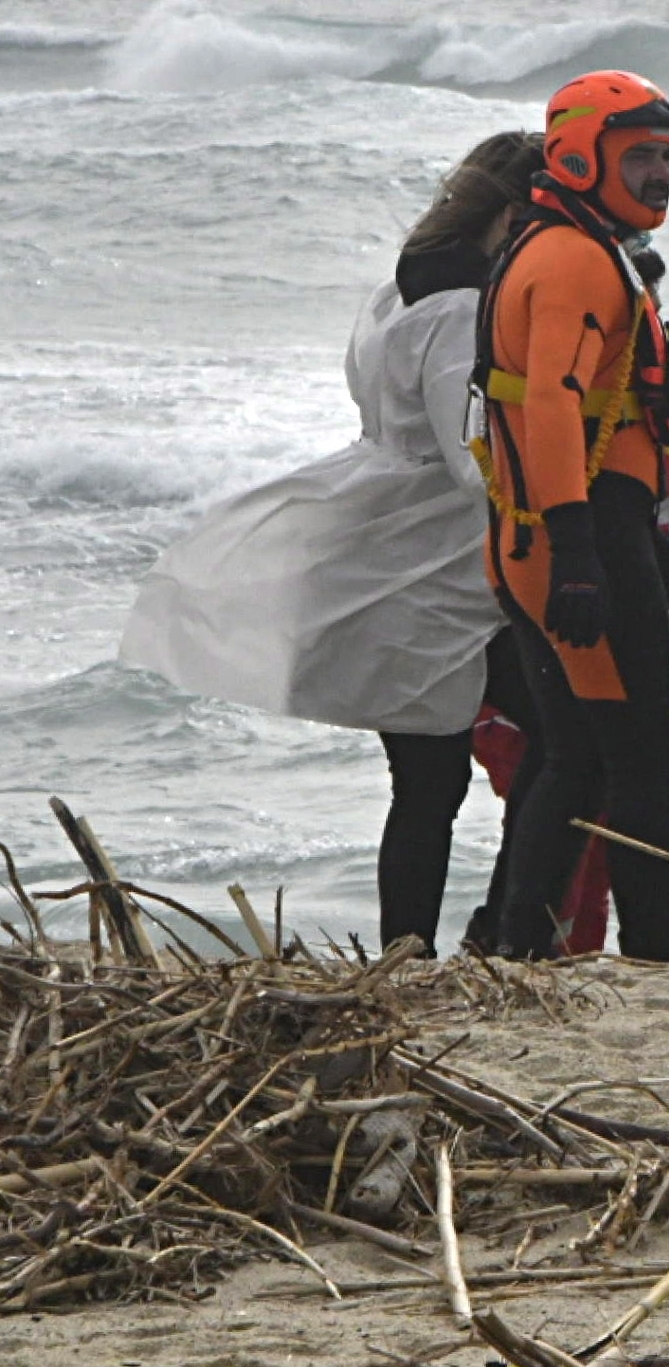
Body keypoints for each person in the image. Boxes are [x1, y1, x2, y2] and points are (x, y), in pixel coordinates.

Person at [118, 130, 542, 957]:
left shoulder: (398, 289)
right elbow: (471, 461)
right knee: (544, 748)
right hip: (436, 564)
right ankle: (485, 936)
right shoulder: (462, 307)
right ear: (515, 212)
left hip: (385, 542)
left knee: (430, 779)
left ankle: (415, 951)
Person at [470, 241, 669, 956]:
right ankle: (538, 945)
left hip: (608, 591)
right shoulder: (551, 382)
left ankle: (551, 950)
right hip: (554, 591)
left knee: (589, 769)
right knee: (583, 768)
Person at [473, 70, 669, 962]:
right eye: (638, 155)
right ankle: (652, 967)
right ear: (575, 154)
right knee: (642, 765)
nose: (660, 174)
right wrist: (582, 553)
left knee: (579, 758)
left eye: (668, 156)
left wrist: (637, 535)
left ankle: (517, 947)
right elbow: (556, 405)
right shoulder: (569, 259)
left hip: (564, 535)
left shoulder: (574, 245)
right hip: (574, 537)